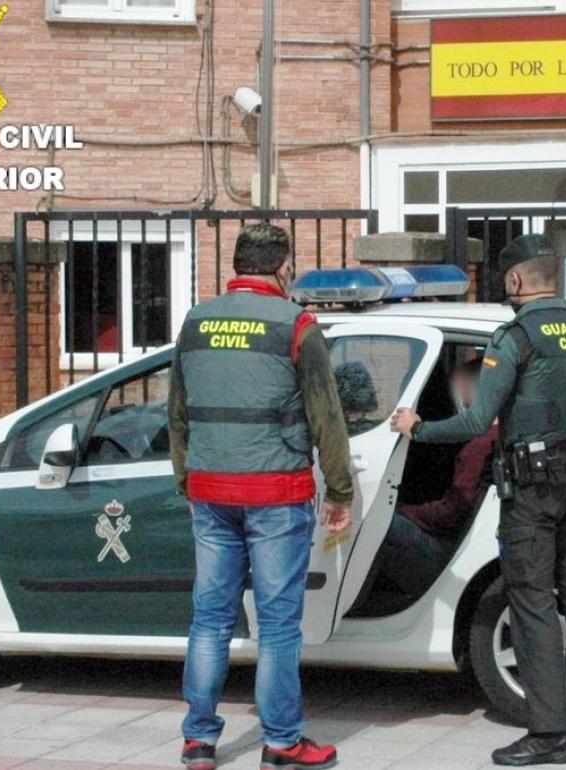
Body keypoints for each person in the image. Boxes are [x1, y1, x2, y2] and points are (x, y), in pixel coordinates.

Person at [391, 234, 566, 766]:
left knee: (534, 603)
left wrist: (416, 427)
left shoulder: (515, 337)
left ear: (516, 280)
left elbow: (476, 420)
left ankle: (550, 735)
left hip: (533, 490)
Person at [169, 223, 352, 770]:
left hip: (210, 490)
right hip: (276, 492)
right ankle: (281, 742)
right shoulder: (296, 325)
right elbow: (327, 414)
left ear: (236, 265)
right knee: (275, 624)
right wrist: (340, 489)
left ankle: (199, 741)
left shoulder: (196, 322)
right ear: (283, 267)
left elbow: (176, 409)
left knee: (210, 618)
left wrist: (187, 479)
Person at [372, 358, 498, 598]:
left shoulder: (479, 445)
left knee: (376, 520)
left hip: (445, 552)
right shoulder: (499, 434)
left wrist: (405, 512)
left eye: (461, 390)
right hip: (458, 543)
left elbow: (452, 510)